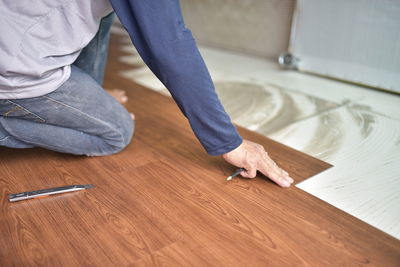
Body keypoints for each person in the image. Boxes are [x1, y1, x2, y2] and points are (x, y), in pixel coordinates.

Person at [0, 0, 293, 187]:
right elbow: (169, 48)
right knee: (116, 133)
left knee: (105, 15)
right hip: (13, 66)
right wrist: (230, 142)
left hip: (13, 33)